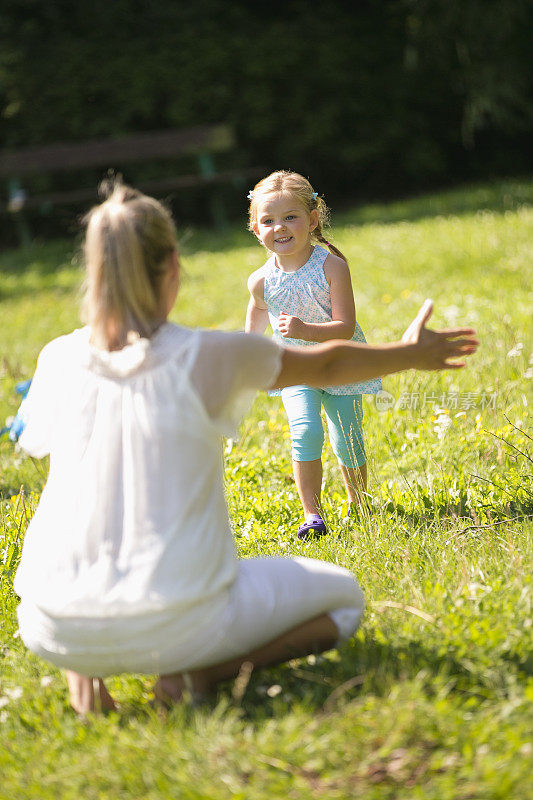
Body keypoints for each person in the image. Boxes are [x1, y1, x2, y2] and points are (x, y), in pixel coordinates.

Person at [13, 182, 478, 715]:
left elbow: (42, 450)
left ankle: (85, 675)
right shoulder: (209, 354)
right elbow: (325, 365)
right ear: (173, 266)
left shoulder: (58, 357)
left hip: (51, 621)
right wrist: (410, 354)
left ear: (93, 272)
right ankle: (196, 673)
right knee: (345, 599)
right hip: (186, 619)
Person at [245, 171, 381, 539]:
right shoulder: (260, 280)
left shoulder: (332, 266)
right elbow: (258, 310)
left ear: (312, 219)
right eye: (268, 220)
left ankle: (360, 503)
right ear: (256, 229)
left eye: (290, 216)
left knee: (347, 436)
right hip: (295, 368)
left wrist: (305, 330)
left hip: (340, 364)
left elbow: (346, 326)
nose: (280, 227)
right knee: (304, 430)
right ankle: (312, 514)